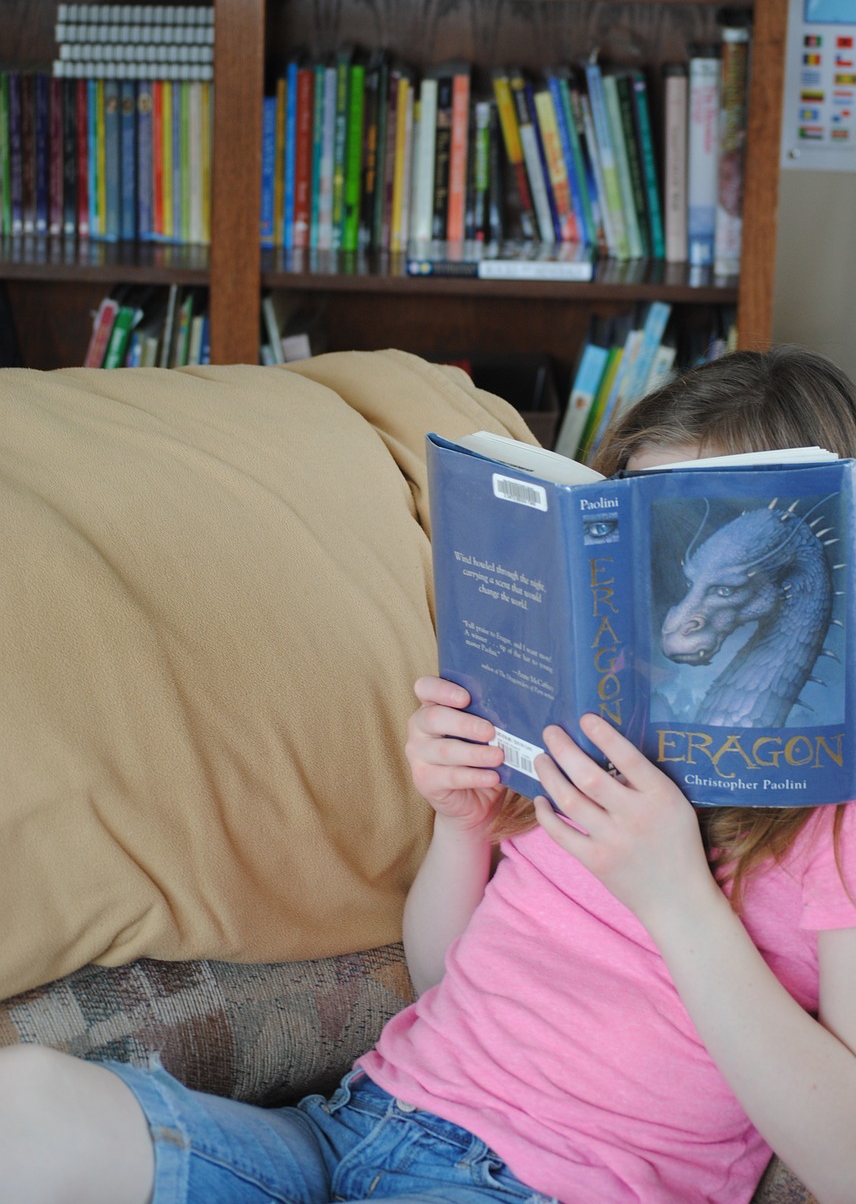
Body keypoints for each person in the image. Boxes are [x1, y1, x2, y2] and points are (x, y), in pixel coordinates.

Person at [2, 345, 856, 1204]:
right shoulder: (586, 743)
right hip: (351, 1130)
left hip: (539, 1189)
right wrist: (464, 822)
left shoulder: (835, 823)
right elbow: (445, 983)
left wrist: (674, 898)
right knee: (25, 1108)